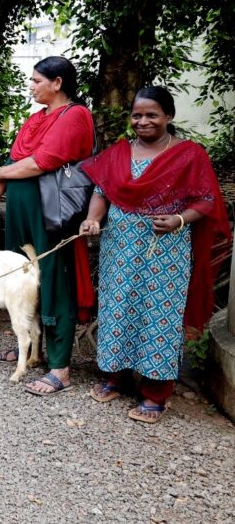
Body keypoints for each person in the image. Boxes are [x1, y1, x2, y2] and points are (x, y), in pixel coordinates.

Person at [80, 86, 229, 422]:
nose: (143, 121)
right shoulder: (119, 153)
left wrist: (179, 219)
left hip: (166, 250)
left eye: (151, 115)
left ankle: (156, 393)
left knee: (158, 313)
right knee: (118, 307)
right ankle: (113, 376)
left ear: (169, 116)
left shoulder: (190, 155)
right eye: (137, 115)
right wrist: (92, 219)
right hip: (119, 246)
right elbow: (102, 192)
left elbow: (206, 201)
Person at [0, 56, 96, 395]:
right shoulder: (35, 119)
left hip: (49, 216)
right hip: (20, 214)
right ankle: (29, 349)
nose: (32, 86)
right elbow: (10, 168)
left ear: (58, 83)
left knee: (52, 279)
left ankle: (60, 367)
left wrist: (3, 172)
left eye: (37, 81)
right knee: (19, 280)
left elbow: (41, 163)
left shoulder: (76, 115)